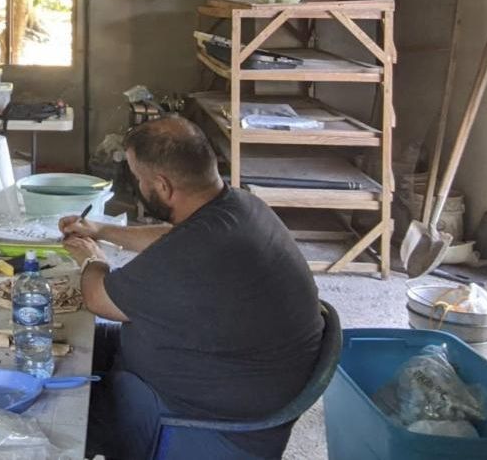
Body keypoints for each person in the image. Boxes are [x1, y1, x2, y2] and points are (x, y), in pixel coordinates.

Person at [60, 116, 323, 460]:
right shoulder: (238, 207)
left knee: (57, 412)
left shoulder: (196, 252)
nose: (138, 185)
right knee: (76, 343)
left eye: (139, 178)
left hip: (207, 422)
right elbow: (175, 238)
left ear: (164, 186)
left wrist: (91, 257)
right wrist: (101, 230)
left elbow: (98, 297)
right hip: (238, 381)